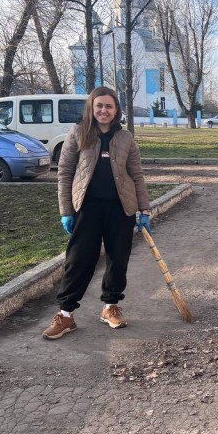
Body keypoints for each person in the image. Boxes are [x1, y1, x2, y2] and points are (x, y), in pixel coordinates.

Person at [43, 86, 151, 340]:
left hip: (120, 209)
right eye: (99, 105)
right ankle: (66, 315)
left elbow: (137, 174)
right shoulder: (79, 133)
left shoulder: (126, 138)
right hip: (87, 208)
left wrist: (144, 208)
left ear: (116, 111)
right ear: (92, 108)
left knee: (118, 259)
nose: (104, 110)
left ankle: (110, 307)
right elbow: (65, 173)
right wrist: (66, 210)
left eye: (109, 106)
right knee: (79, 261)